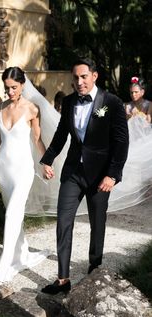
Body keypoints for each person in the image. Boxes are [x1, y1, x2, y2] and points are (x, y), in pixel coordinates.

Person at [40, 57, 129, 295]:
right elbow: (61, 135)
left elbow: (121, 142)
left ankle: (94, 273)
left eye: (84, 77)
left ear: (94, 76)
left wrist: (112, 175)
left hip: (100, 177)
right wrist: (47, 158)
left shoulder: (112, 102)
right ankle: (63, 280)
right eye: (76, 78)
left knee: (97, 224)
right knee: (63, 221)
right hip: (73, 172)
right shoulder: (69, 102)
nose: (79, 82)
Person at [0, 66, 49, 283]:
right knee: (13, 213)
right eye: (7, 88)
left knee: (12, 214)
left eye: (14, 87)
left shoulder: (32, 109)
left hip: (23, 170)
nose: (10, 92)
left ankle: (4, 265)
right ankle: (22, 253)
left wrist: (46, 162)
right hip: (4, 169)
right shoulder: (0, 108)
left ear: (22, 85)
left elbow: (37, 140)